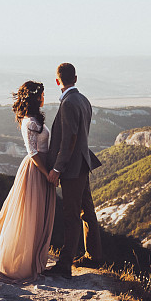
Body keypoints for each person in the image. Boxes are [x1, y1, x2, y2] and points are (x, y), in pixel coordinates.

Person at [0, 81, 56, 282]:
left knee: (38, 214)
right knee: (28, 215)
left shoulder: (35, 118)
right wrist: (47, 173)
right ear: (34, 97)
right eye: (41, 95)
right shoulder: (28, 122)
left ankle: (33, 260)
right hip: (35, 171)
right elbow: (32, 152)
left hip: (42, 169)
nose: (43, 97)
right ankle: (17, 264)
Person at [44, 63, 103, 279]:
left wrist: (58, 168)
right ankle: (94, 256)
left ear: (58, 81)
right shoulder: (83, 99)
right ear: (75, 79)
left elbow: (70, 139)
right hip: (83, 163)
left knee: (71, 215)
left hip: (72, 168)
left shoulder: (68, 103)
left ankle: (65, 264)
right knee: (87, 211)